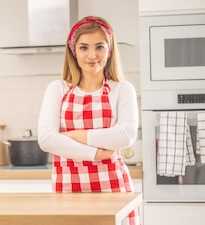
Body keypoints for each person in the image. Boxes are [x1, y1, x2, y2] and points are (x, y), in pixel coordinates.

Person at [37, 16, 141, 225]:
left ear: (110, 50)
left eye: (100, 47)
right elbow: (47, 140)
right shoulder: (57, 89)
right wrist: (96, 153)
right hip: (68, 189)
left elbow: (126, 136)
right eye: (84, 47)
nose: (92, 55)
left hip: (113, 188)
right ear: (74, 51)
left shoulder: (122, 89)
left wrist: (74, 136)